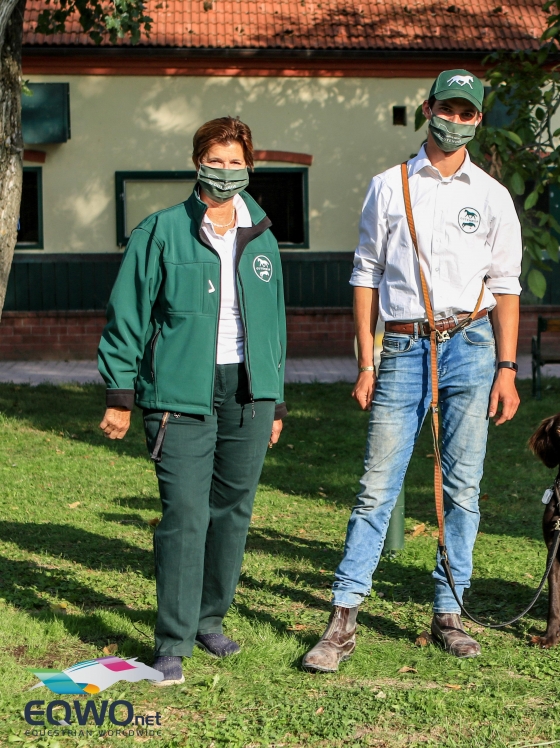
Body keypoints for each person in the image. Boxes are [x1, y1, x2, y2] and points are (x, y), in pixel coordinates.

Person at [302, 69, 522, 672]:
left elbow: (504, 287)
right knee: (378, 485)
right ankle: (343, 617)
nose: (456, 119)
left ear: (478, 119)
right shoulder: (388, 185)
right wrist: (365, 359)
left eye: (468, 112)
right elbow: (366, 275)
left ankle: (449, 611)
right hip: (401, 348)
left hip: (472, 345)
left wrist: (506, 367)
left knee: (463, 487)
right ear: (428, 110)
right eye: (447, 108)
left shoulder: (492, 196)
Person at [97, 117, 287, 686]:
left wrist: (274, 399)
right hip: (179, 393)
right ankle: (173, 640)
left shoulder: (263, 235)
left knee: (233, 511)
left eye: (236, 163)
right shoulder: (160, 232)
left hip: (248, 395)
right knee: (184, 514)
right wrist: (119, 393)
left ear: (249, 168)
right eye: (216, 160)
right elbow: (127, 312)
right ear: (197, 161)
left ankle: (210, 618)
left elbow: (274, 321)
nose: (225, 172)